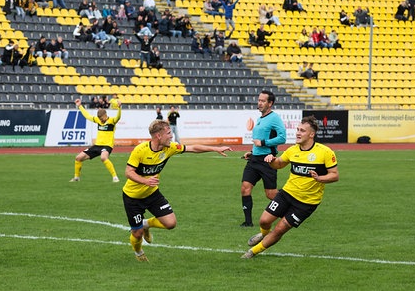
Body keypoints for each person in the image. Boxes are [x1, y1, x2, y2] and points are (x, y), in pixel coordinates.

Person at [124, 119, 232, 261]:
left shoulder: (170, 148)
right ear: (158, 136)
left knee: (170, 223)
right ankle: (138, 252)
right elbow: (128, 172)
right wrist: (145, 180)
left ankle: (146, 224)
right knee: (136, 234)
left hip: (152, 194)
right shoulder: (140, 150)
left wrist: (215, 149)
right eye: (168, 133)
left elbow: (193, 148)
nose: (171, 136)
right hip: (132, 197)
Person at [242, 115, 339, 259]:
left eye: (302, 131)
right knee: (264, 220)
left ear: (311, 134)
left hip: (306, 203)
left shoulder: (325, 152)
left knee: (279, 229)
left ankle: (252, 252)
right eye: (298, 129)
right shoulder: (292, 150)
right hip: (287, 194)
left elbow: (334, 175)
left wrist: (320, 178)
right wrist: (271, 161)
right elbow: (279, 164)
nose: (298, 133)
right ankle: (263, 234)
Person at [239, 90, 286, 227]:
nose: (259, 103)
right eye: (259, 100)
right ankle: (248, 222)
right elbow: (257, 143)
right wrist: (251, 152)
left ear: (270, 103)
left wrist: (264, 143)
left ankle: (289, 205)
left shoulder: (275, 118)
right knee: (245, 188)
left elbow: (282, 137)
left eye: (262, 101)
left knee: (271, 194)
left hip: (267, 161)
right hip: (254, 160)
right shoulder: (260, 119)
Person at [69, 98, 122, 183]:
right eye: (99, 119)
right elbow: (87, 116)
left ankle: (115, 177)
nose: (100, 120)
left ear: (105, 115)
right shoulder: (98, 120)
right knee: (78, 158)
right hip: (97, 145)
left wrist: (119, 108)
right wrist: (80, 106)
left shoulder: (112, 121)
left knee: (103, 157)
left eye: (101, 118)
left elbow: (118, 117)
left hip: (107, 145)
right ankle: (76, 178)